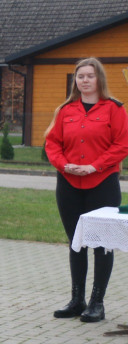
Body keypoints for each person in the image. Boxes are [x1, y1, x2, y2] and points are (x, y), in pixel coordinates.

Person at [45, 57, 128, 323]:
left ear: (99, 79)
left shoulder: (114, 109)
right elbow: (52, 143)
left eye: (90, 76)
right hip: (68, 183)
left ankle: (97, 303)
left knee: (102, 244)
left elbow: (122, 144)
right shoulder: (66, 110)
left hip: (102, 183)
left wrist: (95, 166)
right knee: (76, 242)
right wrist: (64, 165)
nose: (85, 80)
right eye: (80, 76)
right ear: (75, 81)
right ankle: (77, 299)